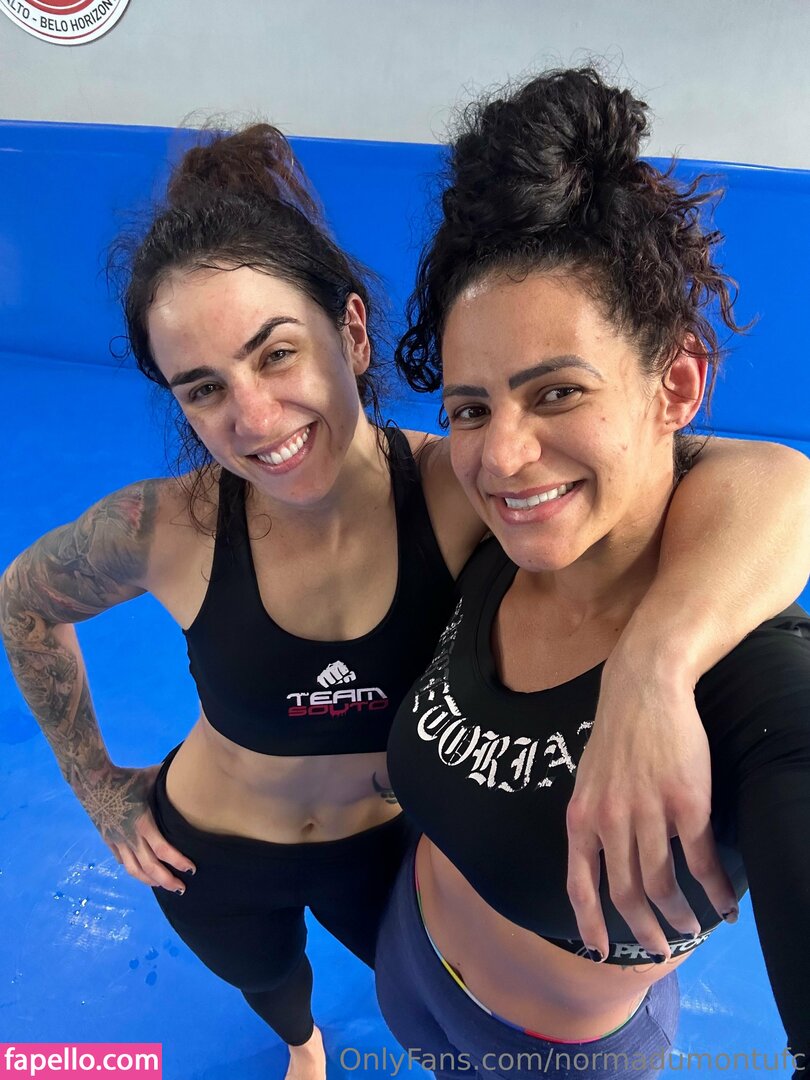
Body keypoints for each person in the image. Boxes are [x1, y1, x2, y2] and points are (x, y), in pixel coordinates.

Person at [1, 121, 809, 1080]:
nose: (252, 418)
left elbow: (764, 476)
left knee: (396, 986)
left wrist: (655, 662)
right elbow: (22, 601)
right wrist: (95, 783)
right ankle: (303, 1045)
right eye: (203, 389)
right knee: (274, 989)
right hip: (213, 851)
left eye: (276, 354)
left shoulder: (464, 488)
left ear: (350, 331)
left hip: (383, 856)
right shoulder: (165, 528)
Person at [376, 68, 810, 1079]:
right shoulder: (490, 538)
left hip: (559, 1058)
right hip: (408, 959)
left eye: (558, 392)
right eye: (471, 408)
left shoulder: (755, 683)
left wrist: (656, 668)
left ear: (677, 385)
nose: (502, 457)